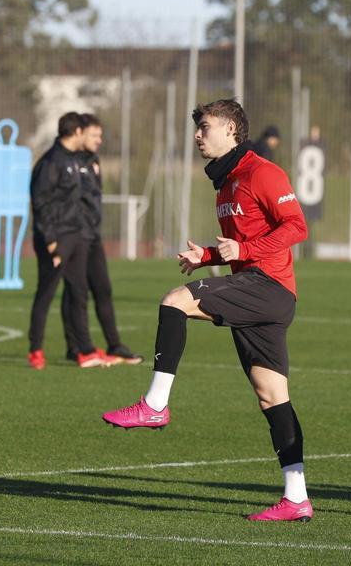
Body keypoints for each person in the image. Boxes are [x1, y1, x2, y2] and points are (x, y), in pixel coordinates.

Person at [101, 99, 312, 522]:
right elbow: (242, 243)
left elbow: (297, 226)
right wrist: (210, 254)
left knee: (174, 301)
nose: (197, 135)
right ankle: (296, 498)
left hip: (268, 287)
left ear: (232, 129)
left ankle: (155, 404)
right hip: (260, 292)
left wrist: (245, 250)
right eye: (196, 128)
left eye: (205, 127)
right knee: (272, 396)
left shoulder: (262, 172)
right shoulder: (226, 181)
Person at [28, 112, 116, 369]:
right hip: (55, 239)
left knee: (79, 291)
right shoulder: (51, 162)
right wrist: (51, 240)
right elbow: (40, 203)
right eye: (87, 132)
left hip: (76, 236)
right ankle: (35, 349)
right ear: (77, 132)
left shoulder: (77, 161)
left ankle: (83, 350)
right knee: (46, 292)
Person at [64, 113, 142, 364]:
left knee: (103, 288)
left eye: (100, 135)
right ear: (80, 133)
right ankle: (78, 347)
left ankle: (114, 344)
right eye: (95, 135)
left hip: (92, 235)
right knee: (76, 291)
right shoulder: (68, 162)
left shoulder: (93, 160)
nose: (99, 140)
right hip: (74, 236)